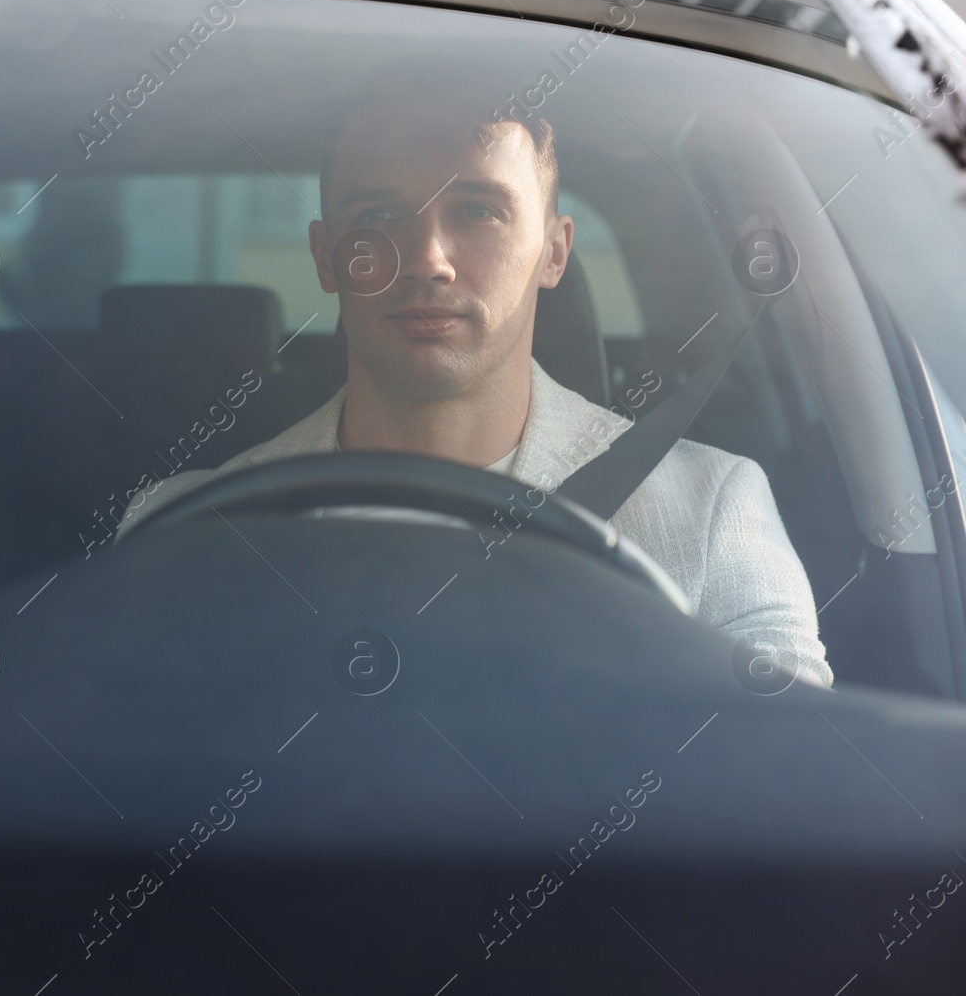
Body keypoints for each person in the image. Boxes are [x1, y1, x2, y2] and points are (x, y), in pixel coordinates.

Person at [118, 81, 833, 688]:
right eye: (377, 216)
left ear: (554, 251)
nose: (427, 259)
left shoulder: (709, 511)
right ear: (326, 257)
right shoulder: (184, 529)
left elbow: (793, 792)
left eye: (478, 211)